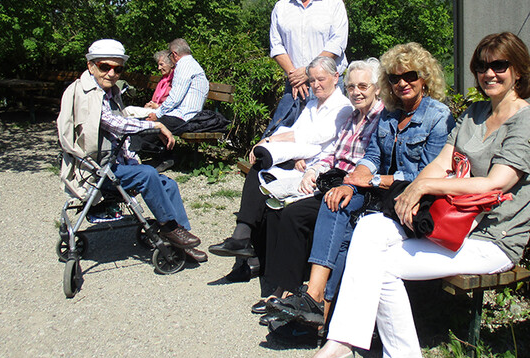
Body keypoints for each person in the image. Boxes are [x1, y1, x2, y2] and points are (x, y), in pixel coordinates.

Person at [282, 32, 530, 358]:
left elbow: (496, 183)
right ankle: (340, 345)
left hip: (492, 238)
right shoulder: (475, 113)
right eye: (481, 66)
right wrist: (413, 188)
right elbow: (443, 162)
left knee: (381, 263)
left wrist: (423, 186)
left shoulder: (523, 121)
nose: (489, 73)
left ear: (518, 71)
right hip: (453, 224)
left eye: (499, 65)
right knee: (369, 228)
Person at [265, 42, 456, 329]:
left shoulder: (438, 116)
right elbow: (373, 156)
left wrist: (373, 179)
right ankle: (314, 297)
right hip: (377, 192)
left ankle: (324, 315)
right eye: (394, 78)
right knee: (335, 200)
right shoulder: (390, 115)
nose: (402, 83)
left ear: (424, 77)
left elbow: (427, 174)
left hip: (410, 199)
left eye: (410, 76)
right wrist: (353, 181)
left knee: (349, 234)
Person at [57, 39, 207, 263]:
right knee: (147, 174)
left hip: (114, 165)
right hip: (96, 171)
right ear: (91, 66)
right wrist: (155, 125)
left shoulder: (107, 91)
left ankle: (179, 236)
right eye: (105, 67)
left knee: (168, 183)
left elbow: (119, 124)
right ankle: (169, 227)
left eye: (118, 68)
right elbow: (112, 123)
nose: (111, 73)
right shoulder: (88, 93)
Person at [208, 57, 353, 268]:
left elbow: (316, 135)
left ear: (335, 77)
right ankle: (244, 243)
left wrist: (272, 139)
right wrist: (292, 152)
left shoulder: (343, 107)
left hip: (319, 167)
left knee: (262, 173)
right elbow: (298, 131)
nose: (315, 85)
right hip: (300, 159)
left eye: (320, 79)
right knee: (260, 172)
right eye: (311, 80)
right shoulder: (313, 104)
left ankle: (245, 243)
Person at [265, 0, 349, 136]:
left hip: (329, 83)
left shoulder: (333, 3)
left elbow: (337, 43)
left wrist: (308, 71)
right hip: (295, 84)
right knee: (287, 135)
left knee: (330, 137)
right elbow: (276, 45)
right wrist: (295, 75)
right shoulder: (281, 7)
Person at [139, 38, 210, 171]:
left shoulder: (184, 66)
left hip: (185, 118)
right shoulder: (193, 65)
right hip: (187, 115)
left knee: (145, 126)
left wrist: (157, 114)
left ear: (174, 54)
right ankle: (166, 156)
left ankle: (165, 157)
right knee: (148, 123)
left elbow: (175, 98)